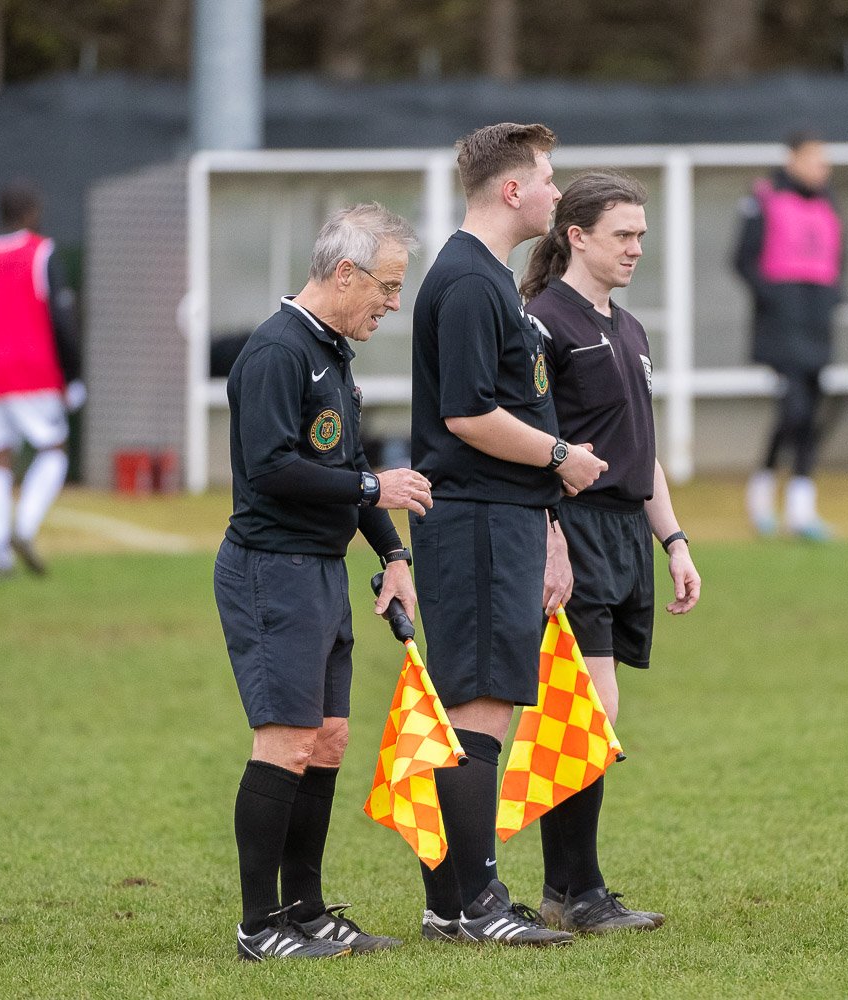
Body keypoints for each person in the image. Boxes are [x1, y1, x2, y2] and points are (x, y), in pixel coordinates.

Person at [215, 202, 434, 961]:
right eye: (388, 285)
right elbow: (275, 469)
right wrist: (376, 491)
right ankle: (258, 927)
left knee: (330, 739)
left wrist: (394, 556)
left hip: (320, 572)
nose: (393, 302)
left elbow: (344, 473)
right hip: (270, 571)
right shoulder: (277, 352)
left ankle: (306, 913)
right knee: (284, 739)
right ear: (345, 273)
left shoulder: (330, 350)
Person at [408, 122, 606, 947]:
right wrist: (563, 456)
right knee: (480, 705)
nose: (558, 192)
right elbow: (466, 414)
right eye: (548, 179)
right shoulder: (465, 282)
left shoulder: (490, 280)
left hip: (509, 516)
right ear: (512, 190)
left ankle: (454, 903)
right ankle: (475, 905)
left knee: (485, 703)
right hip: (476, 518)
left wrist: (548, 517)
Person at [520, 171, 703, 934]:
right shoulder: (540, 322)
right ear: (577, 236)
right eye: (623, 234)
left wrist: (675, 540)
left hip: (626, 533)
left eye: (641, 236)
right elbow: (529, 448)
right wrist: (552, 535)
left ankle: (572, 891)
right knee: (588, 708)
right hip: (574, 529)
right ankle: (576, 891)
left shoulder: (630, 329)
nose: (636, 248)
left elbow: (643, 449)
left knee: (593, 709)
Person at [0, 179, 85, 579]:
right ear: (31, 211)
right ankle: (24, 529)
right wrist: (74, 374)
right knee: (52, 449)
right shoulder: (41, 253)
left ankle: (0, 554)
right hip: (33, 372)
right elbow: (62, 320)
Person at [734, 131, 846, 540]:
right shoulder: (763, 198)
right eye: (816, 159)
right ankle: (762, 494)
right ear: (793, 159)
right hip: (782, 330)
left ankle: (801, 507)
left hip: (818, 325)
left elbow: (838, 258)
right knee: (793, 409)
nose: (824, 168)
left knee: (811, 412)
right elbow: (742, 259)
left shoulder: (829, 202)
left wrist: (832, 297)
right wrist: (776, 300)